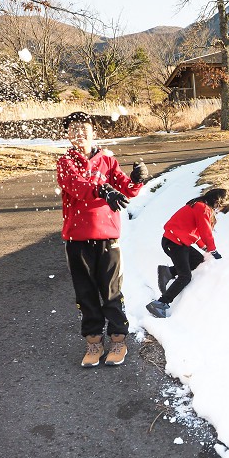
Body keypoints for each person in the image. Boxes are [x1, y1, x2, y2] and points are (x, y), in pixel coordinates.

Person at [56, 111, 149, 367]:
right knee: (85, 293)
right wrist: (103, 190)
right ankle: (94, 342)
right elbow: (77, 186)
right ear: (67, 134)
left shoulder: (107, 160)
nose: (79, 133)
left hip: (108, 236)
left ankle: (118, 339)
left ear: (92, 131)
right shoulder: (66, 162)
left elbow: (125, 188)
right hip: (77, 239)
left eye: (84, 128)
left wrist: (137, 180)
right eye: (73, 129)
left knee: (111, 292)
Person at [146, 188, 229, 318]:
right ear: (216, 202)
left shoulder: (198, 205)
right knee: (185, 276)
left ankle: (168, 272)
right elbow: (205, 232)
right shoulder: (202, 208)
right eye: (219, 209)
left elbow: (193, 233)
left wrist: (204, 247)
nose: (217, 212)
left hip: (178, 241)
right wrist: (213, 249)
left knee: (197, 260)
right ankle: (161, 303)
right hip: (174, 243)